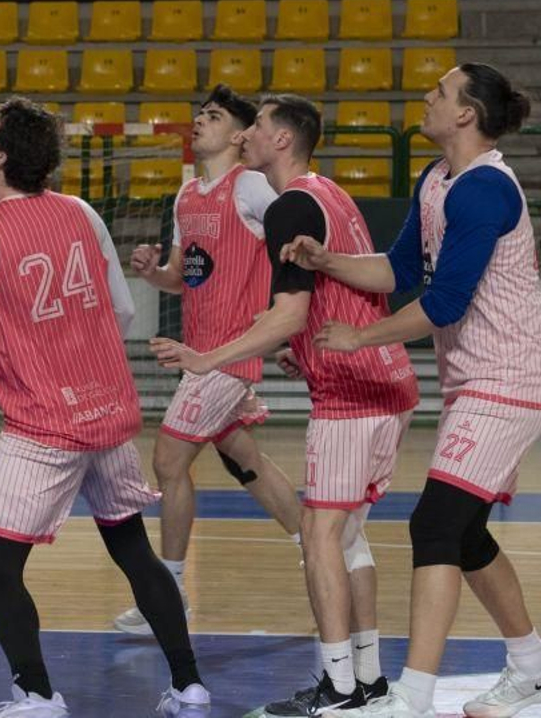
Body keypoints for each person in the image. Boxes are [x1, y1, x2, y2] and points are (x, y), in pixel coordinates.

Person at [0, 98, 211, 718]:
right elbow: (120, 311)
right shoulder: (82, 211)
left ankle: (38, 694)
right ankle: (190, 687)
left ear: (3, 154)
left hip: (44, 425)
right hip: (108, 410)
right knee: (134, 553)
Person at [281, 64, 541, 718]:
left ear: (466, 114)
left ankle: (411, 694)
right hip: (476, 382)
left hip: (510, 380)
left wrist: (363, 336)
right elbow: (400, 267)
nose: (426, 100)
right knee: (462, 534)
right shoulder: (437, 179)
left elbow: (442, 302)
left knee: (432, 522)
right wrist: (326, 260)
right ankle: (534, 667)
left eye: (439, 93)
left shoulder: (486, 189)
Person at [151, 94, 420, 716]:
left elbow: (291, 311)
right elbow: (365, 281)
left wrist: (207, 358)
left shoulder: (288, 205)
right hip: (387, 383)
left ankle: (337, 687)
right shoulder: (331, 195)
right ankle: (369, 677)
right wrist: (302, 342)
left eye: (260, 124)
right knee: (347, 538)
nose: (248, 133)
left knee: (318, 534)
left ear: (281, 140)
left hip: (349, 395)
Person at [114, 85, 303, 636]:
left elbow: (302, 238)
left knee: (169, 462)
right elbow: (183, 276)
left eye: (213, 116)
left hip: (229, 355)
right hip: (202, 355)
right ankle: (317, 546)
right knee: (246, 461)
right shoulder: (186, 195)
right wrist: (153, 272)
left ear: (241, 134)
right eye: (198, 114)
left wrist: (289, 328)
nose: (198, 122)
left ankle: (168, 594)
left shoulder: (252, 188)